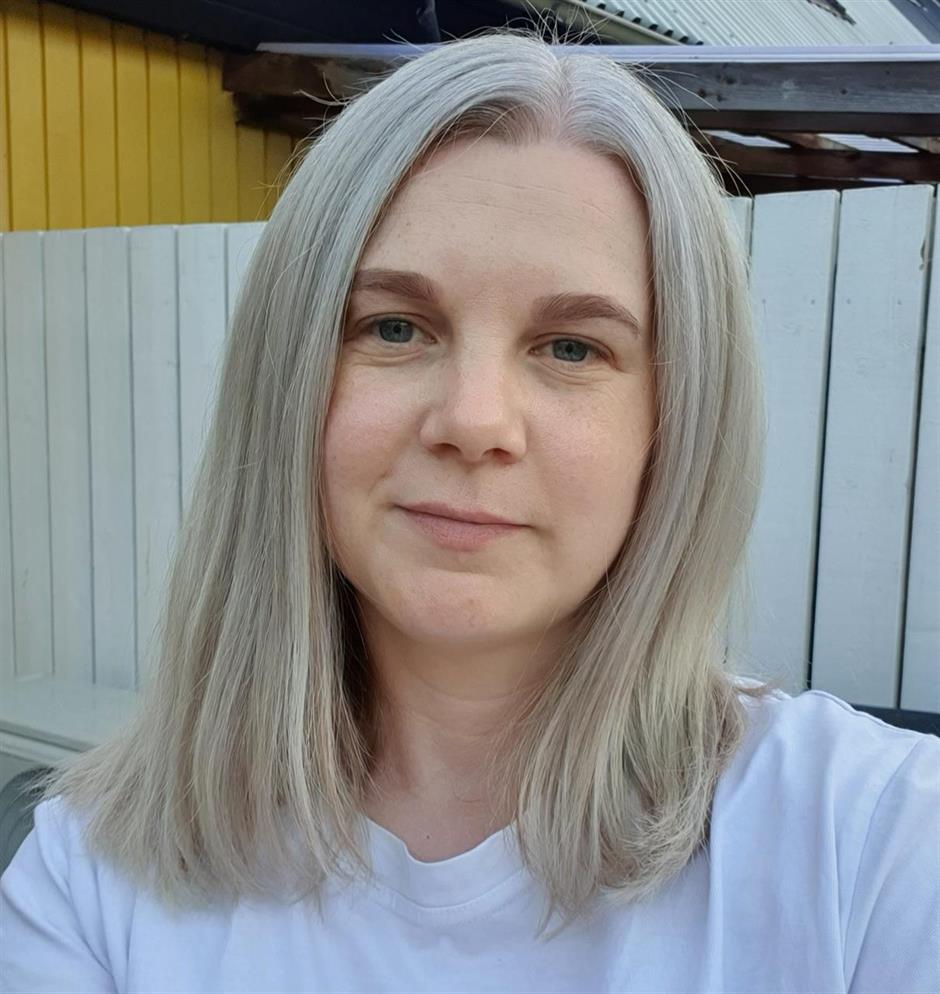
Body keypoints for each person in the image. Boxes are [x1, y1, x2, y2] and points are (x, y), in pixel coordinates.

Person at [1, 27, 938, 994]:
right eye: (394, 328)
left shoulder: (874, 848)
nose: (474, 421)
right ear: (285, 385)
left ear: (675, 425)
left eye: (571, 347)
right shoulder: (92, 880)